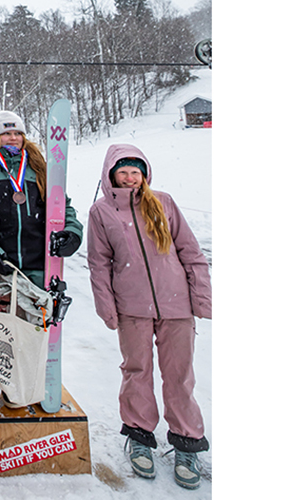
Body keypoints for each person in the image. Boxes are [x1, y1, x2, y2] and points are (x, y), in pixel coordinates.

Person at [86, 144, 211, 489]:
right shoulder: (101, 212)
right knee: (136, 371)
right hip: (133, 307)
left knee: (179, 375)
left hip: (177, 306)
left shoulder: (164, 202)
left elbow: (191, 252)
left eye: (135, 172)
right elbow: (98, 264)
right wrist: (106, 304)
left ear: (145, 174)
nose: (129, 178)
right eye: (123, 172)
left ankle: (186, 442)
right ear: (111, 174)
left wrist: (200, 296)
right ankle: (140, 437)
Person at [0, 110, 83, 298]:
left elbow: (63, 206)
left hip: (38, 265)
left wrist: (73, 232)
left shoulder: (40, 167)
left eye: (18, 133)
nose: (13, 138)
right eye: (6, 133)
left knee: (34, 324)